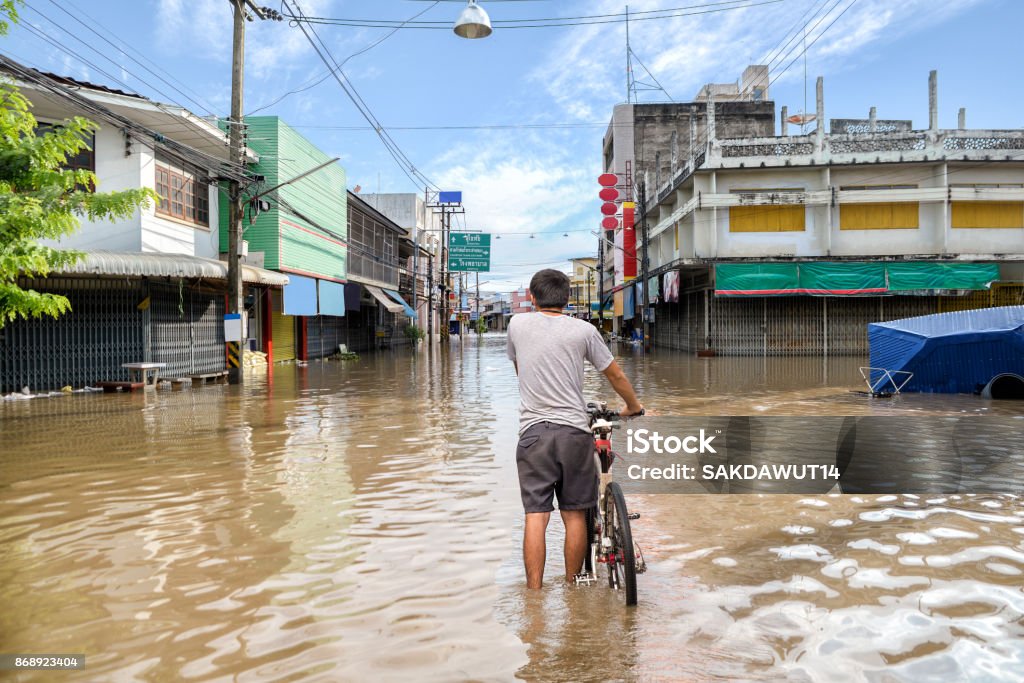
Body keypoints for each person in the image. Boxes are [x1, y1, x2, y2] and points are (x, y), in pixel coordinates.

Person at [506, 269, 644, 589]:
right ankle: (574, 588)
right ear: (567, 299)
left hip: (532, 435)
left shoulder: (516, 325)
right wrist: (633, 407)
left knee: (536, 517)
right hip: (573, 434)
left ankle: (534, 595)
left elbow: (520, 369)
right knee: (575, 515)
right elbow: (616, 376)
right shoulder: (583, 330)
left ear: (532, 296)